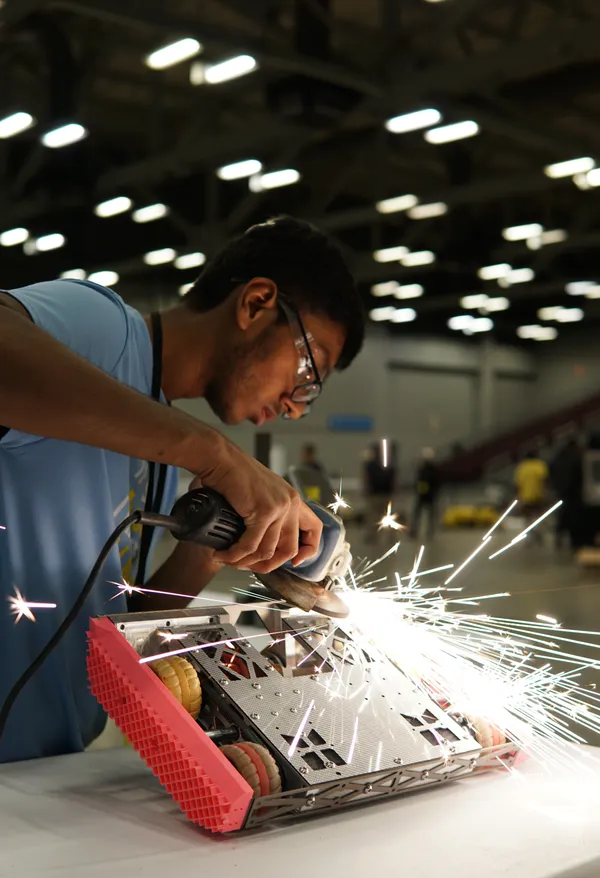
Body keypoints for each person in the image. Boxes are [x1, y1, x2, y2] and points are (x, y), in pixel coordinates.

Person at [0, 215, 365, 763]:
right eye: (309, 373)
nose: (294, 404)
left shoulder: (162, 453)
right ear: (256, 304)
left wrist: (214, 552)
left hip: (50, 764)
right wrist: (216, 454)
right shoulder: (104, 327)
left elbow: (119, 626)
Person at [549, 437, 583, 549]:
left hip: (561, 491)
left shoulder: (560, 457)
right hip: (573, 492)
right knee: (573, 516)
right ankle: (574, 541)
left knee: (563, 514)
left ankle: (559, 536)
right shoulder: (576, 458)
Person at [363, 442, 396, 541]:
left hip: (382, 493)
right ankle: (375, 536)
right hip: (378, 494)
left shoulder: (374, 465)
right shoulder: (375, 465)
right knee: (377, 516)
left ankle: (386, 536)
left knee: (381, 516)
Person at [515, 449, 549, 542]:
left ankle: (530, 535)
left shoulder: (522, 467)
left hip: (525, 496)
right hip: (539, 496)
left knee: (527, 517)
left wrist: (519, 497)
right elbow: (545, 480)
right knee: (538, 515)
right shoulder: (540, 465)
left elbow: (518, 484)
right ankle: (538, 533)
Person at [410, 447, 441, 540]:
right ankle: (429, 532)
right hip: (429, 495)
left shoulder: (423, 469)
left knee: (418, 514)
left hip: (424, 495)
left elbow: (419, 481)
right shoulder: (433, 469)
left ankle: (416, 531)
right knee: (429, 515)